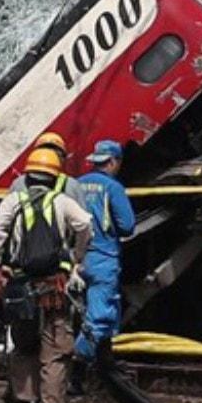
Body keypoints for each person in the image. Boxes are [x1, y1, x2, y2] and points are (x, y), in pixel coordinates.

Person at [0, 147, 92, 403]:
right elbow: (85, 225)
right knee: (55, 354)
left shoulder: (14, 202)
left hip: (21, 288)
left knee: (23, 349)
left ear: (29, 176)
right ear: (54, 175)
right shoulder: (62, 202)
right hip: (53, 287)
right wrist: (76, 257)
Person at [73, 140, 136, 365]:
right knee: (101, 317)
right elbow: (127, 225)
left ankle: (101, 361)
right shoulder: (113, 188)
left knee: (79, 314)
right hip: (103, 259)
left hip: (75, 260)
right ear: (112, 161)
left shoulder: (76, 185)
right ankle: (77, 367)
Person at [10, 132, 87, 210]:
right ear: (62, 159)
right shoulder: (72, 185)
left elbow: (7, 215)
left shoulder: (18, 183)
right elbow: (84, 220)